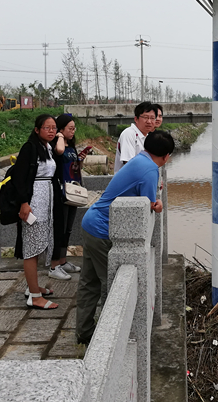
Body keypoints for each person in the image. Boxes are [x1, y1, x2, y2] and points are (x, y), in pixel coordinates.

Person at [75, 130, 175, 345]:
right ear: (166, 156)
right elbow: (146, 205)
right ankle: (110, 339)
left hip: (91, 221)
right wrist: (157, 206)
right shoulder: (150, 170)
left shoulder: (139, 159)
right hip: (103, 230)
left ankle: (84, 332)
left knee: (89, 282)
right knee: (114, 285)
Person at [12, 114, 61, 309]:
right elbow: (19, 177)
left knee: (40, 244)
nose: (51, 131)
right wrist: (24, 203)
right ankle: (34, 296)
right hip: (33, 204)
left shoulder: (47, 148)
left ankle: (32, 287)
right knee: (31, 249)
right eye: (47, 127)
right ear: (37, 130)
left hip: (46, 203)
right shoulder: (30, 148)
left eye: (54, 127)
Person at [48, 113, 89, 281]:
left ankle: (63, 261)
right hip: (61, 191)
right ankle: (53, 266)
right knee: (60, 228)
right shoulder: (57, 145)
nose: (73, 131)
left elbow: (74, 167)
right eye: (70, 128)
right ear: (61, 129)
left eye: (74, 129)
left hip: (73, 189)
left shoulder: (71, 147)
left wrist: (80, 160)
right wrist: (58, 136)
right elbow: (59, 151)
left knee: (68, 228)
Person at [113, 101, 155, 174]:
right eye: (145, 117)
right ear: (136, 119)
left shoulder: (147, 137)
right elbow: (129, 164)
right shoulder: (129, 134)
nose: (149, 121)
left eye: (152, 118)